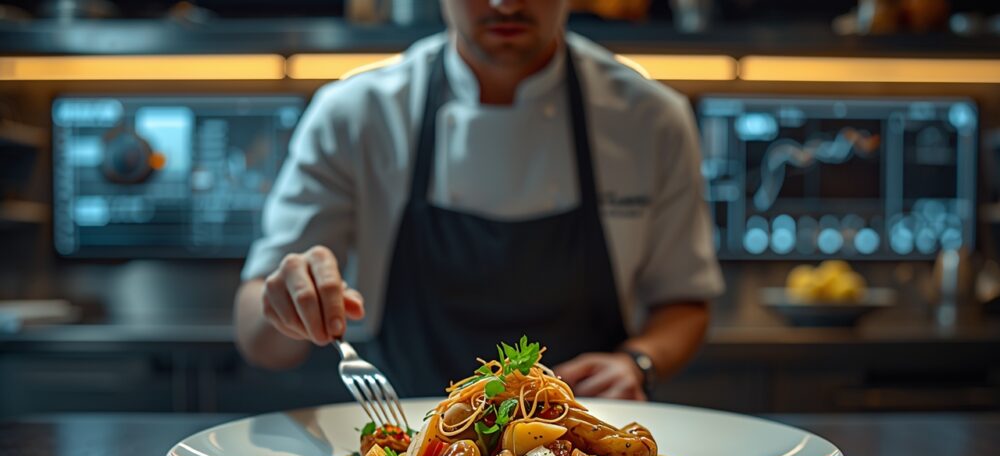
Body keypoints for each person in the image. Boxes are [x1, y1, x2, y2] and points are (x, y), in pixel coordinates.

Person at [234, 0, 724, 400]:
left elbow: (683, 300)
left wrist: (638, 362)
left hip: (585, 442)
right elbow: (259, 337)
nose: (505, 4)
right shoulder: (356, 114)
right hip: (403, 445)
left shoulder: (651, 118)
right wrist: (288, 305)